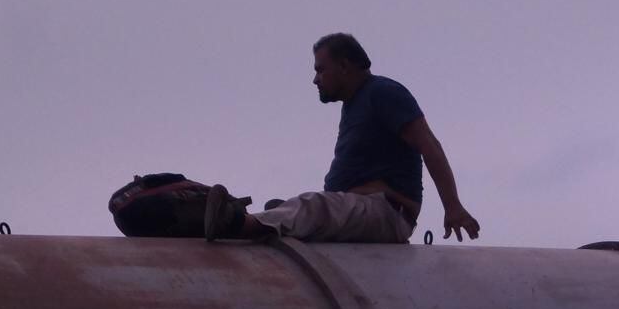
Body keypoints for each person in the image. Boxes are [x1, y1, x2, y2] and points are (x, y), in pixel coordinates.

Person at [205, 33, 481, 244]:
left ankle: (239, 224)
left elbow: (429, 145)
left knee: (314, 206)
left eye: (321, 69)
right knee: (304, 207)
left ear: (345, 66)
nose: (315, 79)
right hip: (360, 208)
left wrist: (453, 206)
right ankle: (276, 219)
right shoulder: (354, 104)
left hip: (386, 213)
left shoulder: (383, 93)